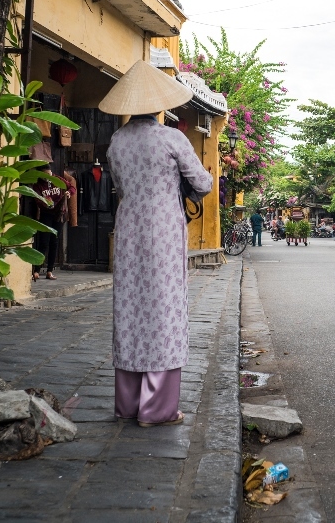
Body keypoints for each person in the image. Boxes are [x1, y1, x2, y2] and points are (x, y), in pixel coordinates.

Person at [100, 60, 214, 428]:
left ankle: (129, 404)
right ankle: (158, 408)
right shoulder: (171, 138)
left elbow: (120, 184)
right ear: (159, 103)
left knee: (131, 305)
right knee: (164, 306)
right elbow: (203, 183)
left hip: (130, 226)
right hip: (164, 228)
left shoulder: (117, 141)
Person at [30, 164, 76, 281]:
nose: (49, 177)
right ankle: (37, 270)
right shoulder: (38, 185)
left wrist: (69, 193)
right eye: (46, 175)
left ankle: (50, 271)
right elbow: (38, 200)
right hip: (46, 214)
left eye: (50, 174)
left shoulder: (58, 179)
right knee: (44, 242)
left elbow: (72, 187)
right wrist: (47, 203)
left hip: (59, 215)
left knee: (54, 242)